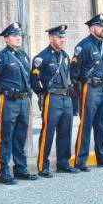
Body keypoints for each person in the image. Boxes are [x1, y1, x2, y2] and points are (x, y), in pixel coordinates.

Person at [0, 22, 37, 184]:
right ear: (6, 39)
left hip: (23, 101)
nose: (18, 38)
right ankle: (2, 170)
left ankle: (20, 168)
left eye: (19, 35)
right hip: (7, 101)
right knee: (5, 135)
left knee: (20, 135)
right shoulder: (0, 58)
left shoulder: (23, 56)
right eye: (14, 36)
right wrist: (5, 95)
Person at [30, 25, 79, 177]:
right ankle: (42, 165)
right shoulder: (41, 57)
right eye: (59, 37)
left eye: (64, 37)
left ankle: (63, 163)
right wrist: (42, 94)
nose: (63, 40)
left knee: (65, 132)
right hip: (52, 98)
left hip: (66, 98)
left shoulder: (65, 56)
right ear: (51, 38)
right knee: (48, 133)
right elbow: (34, 80)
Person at [70, 14, 103, 170]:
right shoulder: (83, 46)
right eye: (100, 26)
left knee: (102, 124)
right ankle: (81, 160)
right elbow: (74, 71)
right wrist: (79, 90)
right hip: (89, 88)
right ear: (92, 28)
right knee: (86, 124)